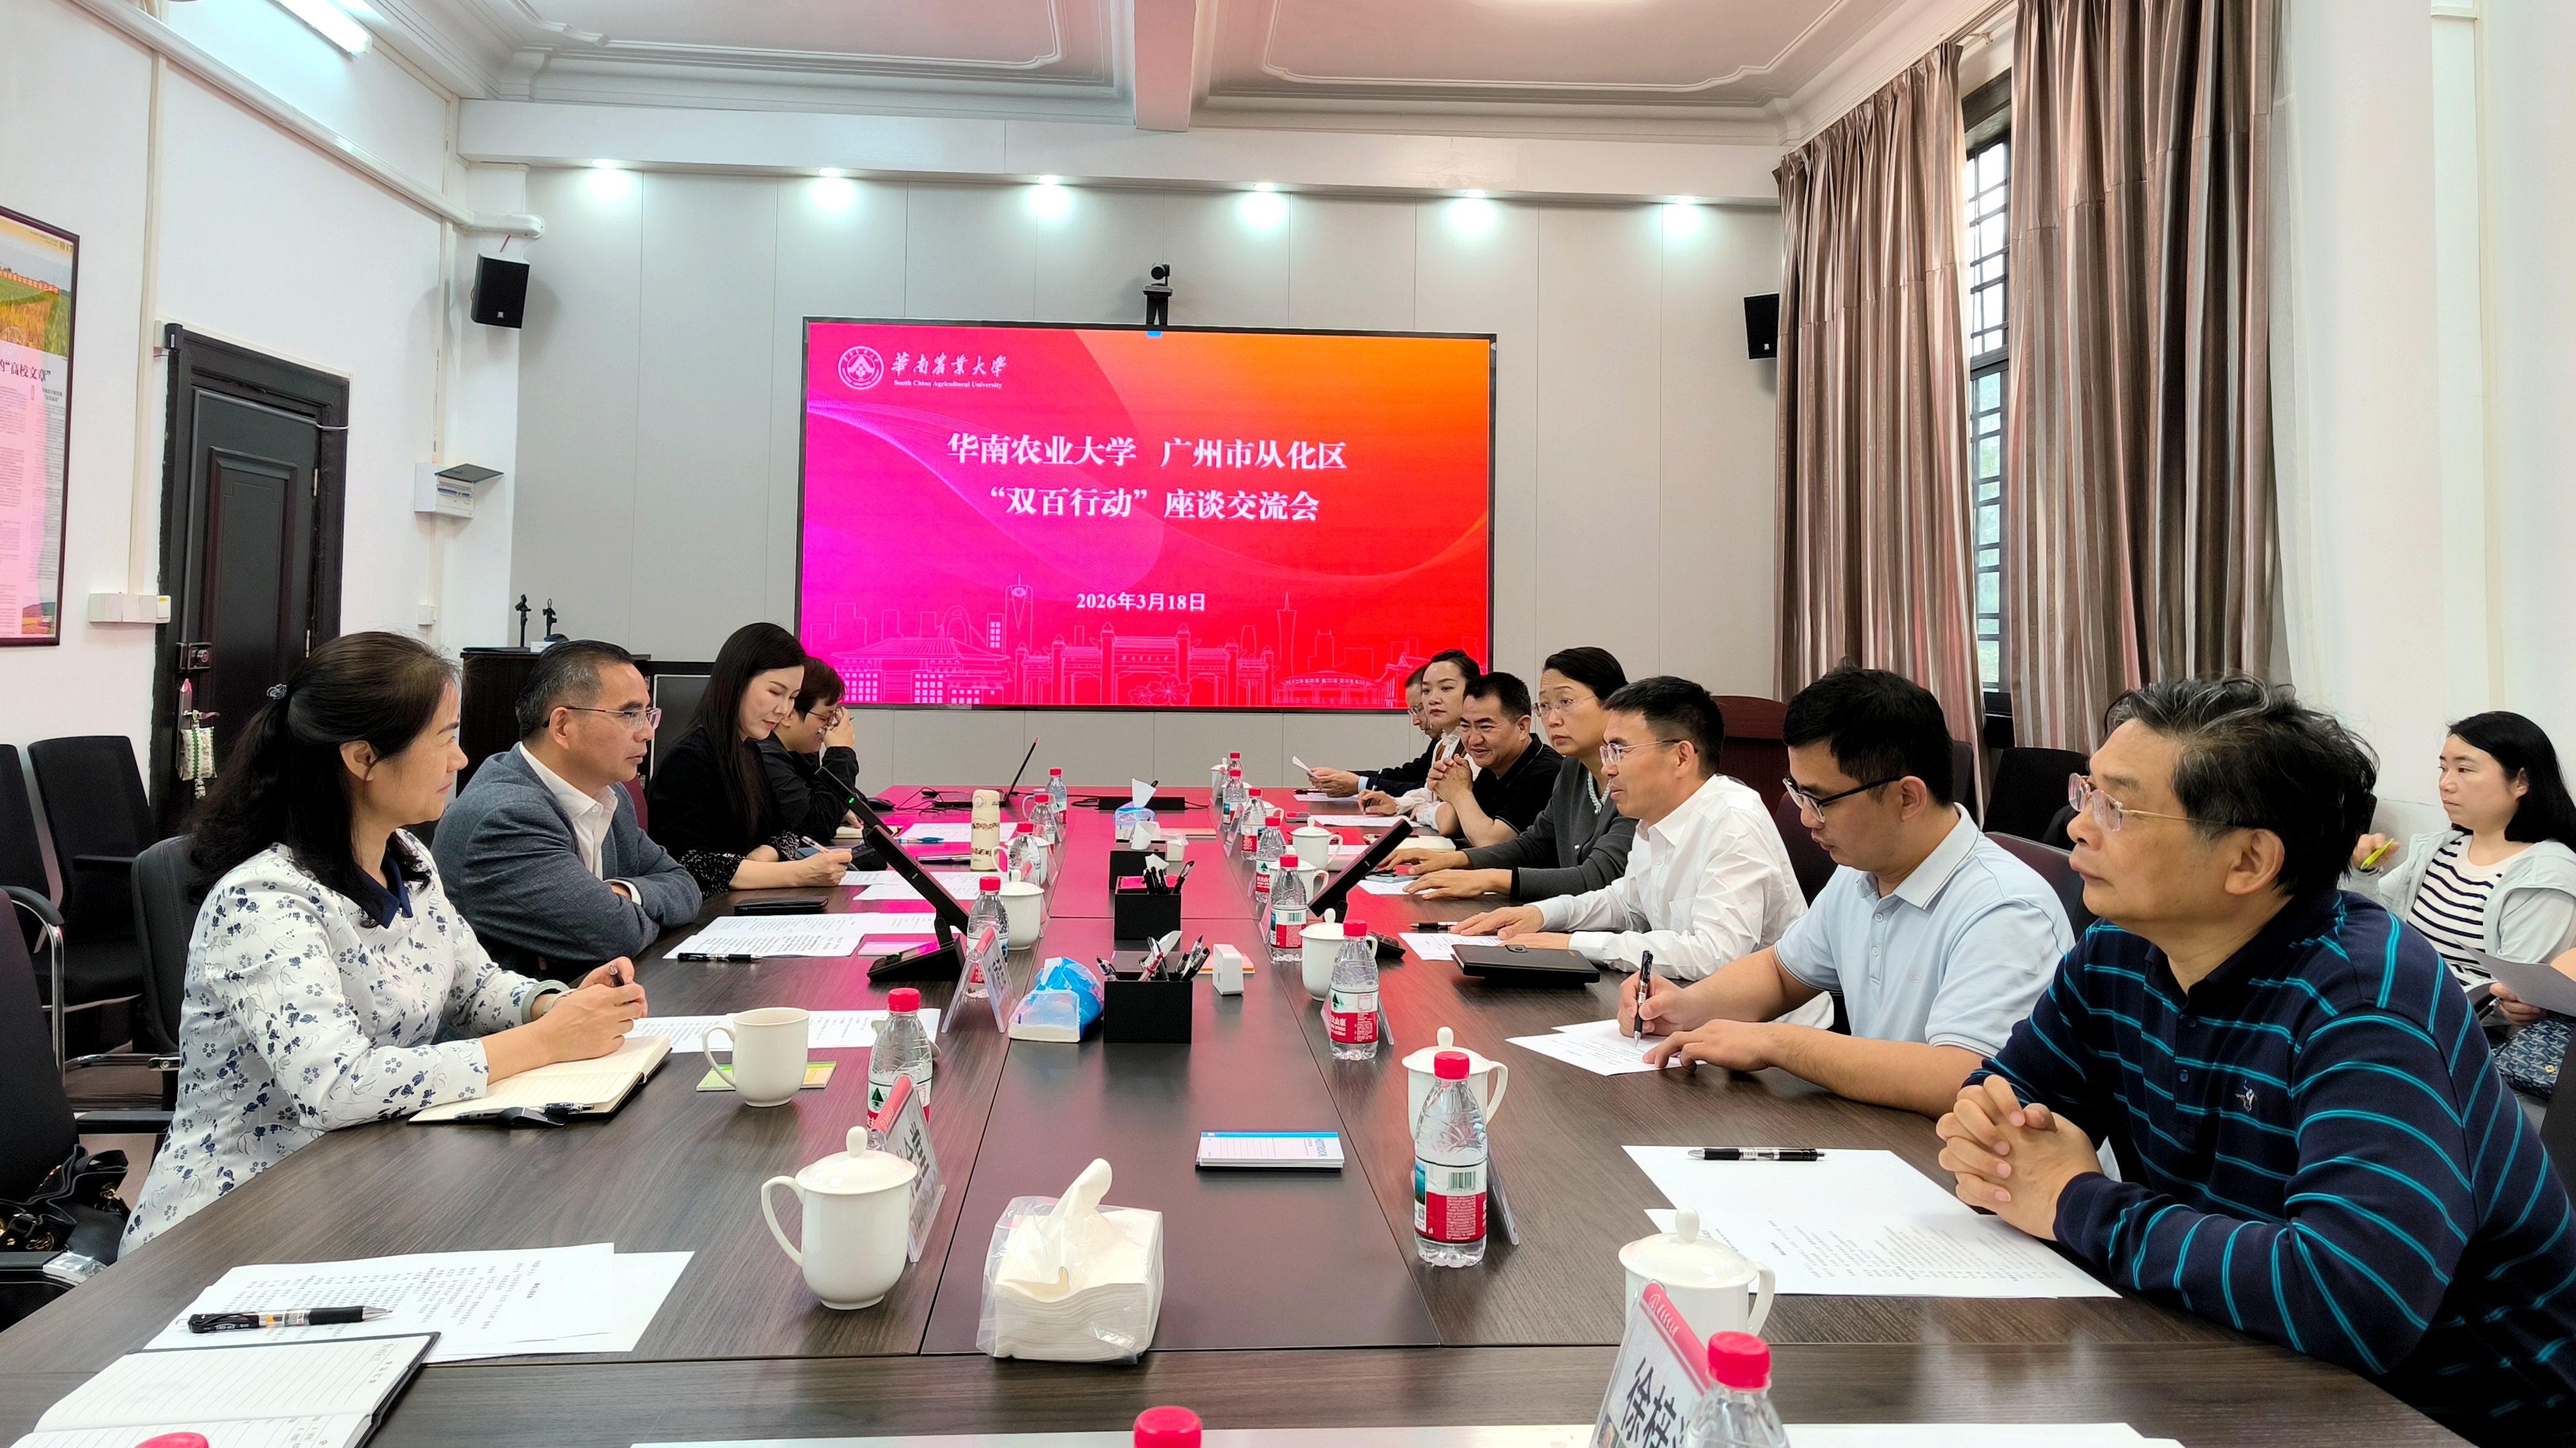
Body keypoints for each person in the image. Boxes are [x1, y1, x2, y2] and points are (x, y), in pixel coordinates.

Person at [1934, 678, 2576, 1444]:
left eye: (2117, 807)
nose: (2076, 824)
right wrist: (1991, 1139)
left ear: (2247, 858)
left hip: (2445, 1415)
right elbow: (2002, 1108)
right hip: (2228, 1352)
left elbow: (2350, 1299)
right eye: (2086, 791)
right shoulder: (2116, 951)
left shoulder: (2365, 1004)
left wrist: (2075, 1199)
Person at [127, 634, 649, 1247]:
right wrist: (544, 1041)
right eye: (444, 738)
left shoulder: (407, 860)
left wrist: (553, 1004)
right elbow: (336, 1087)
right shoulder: (265, 902)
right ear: (363, 758)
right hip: (238, 1221)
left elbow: (474, 988)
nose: (461, 760)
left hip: (369, 1180)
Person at [1616, 668, 2072, 1115]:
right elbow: (1781, 972)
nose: (1806, 819)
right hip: (1883, 1130)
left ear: (1907, 798)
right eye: (1798, 793)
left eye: (1821, 801)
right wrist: (1686, 1005)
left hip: (1965, 1153)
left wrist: (1776, 1043)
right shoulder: (1862, 872)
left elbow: (1964, 1077)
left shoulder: (2006, 909)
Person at [1452, 677, 1806, 983]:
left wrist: (1575, 943)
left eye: (1620, 751)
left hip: (1763, 1027)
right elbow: (1625, 903)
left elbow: (1714, 954)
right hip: (1684, 1002)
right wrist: (1542, 915)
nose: (1608, 769)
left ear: (1681, 757)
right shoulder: (1655, 816)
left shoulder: (1734, 820)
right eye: (1607, 752)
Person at [434, 640, 703, 982]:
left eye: (648, 715)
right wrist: (623, 915)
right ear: (562, 726)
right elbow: (617, 936)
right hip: (523, 1013)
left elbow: (685, 886)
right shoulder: (506, 818)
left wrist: (622, 893)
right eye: (630, 715)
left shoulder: (610, 797)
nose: (648, 732)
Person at [2348, 711, 2576, 1020]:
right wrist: (2363, 872)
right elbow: (2375, 928)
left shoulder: (2547, 877)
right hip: (2397, 1005)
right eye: (2443, 769)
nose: (2446, 784)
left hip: (2456, 1026)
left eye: (2464, 769)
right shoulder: (2438, 849)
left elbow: (2511, 996)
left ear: (2521, 782)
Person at [1406, 647, 1638, 901]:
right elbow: (1535, 844)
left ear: (1612, 703)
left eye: (1565, 702)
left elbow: (1598, 879)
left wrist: (1488, 879)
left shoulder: (1636, 774)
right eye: (1545, 706)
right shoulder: (1573, 769)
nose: (1552, 719)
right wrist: (1455, 859)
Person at [647, 623, 854, 894]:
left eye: (792, 697)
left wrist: (765, 855)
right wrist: (796, 873)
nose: (784, 709)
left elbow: (788, 833)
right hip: (704, 914)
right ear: (738, 681)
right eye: (775, 692)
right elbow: (689, 867)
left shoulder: (749, 750)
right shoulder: (689, 759)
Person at [1305, 650, 1479, 802]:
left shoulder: (1477, 746)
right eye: (1427, 691)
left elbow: (1439, 800)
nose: (1433, 699)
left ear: (1473, 691)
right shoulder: (1442, 744)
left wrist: (1359, 784)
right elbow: (1428, 793)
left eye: (1446, 688)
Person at [1424, 671, 1560, 847]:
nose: (1474, 740)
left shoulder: (1547, 773)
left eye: (1486, 727)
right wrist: (1448, 786)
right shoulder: (1494, 765)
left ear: (1522, 727)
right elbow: (1450, 825)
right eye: (1465, 726)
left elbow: (1492, 843)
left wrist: (1460, 793)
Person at [760, 656, 865, 842]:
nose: (828, 730)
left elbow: (852, 800)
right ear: (788, 715)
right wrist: (840, 753)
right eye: (824, 719)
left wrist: (841, 807)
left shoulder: (801, 753)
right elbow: (816, 828)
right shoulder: (766, 758)